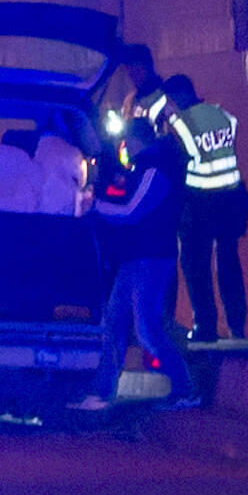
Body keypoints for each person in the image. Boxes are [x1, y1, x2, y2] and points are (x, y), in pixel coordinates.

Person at [73, 109, 197, 412]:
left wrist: (96, 207)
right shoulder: (144, 168)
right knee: (114, 323)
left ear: (134, 139)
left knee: (147, 329)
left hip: (151, 259)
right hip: (136, 256)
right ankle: (101, 392)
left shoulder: (156, 170)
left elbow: (132, 211)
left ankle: (186, 390)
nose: (123, 146)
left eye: (126, 139)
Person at [160, 73, 248, 343]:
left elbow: (177, 163)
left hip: (200, 201)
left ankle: (205, 326)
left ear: (175, 98)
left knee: (194, 263)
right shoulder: (222, 115)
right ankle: (237, 325)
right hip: (231, 198)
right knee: (228, 262)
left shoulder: (180, 123)